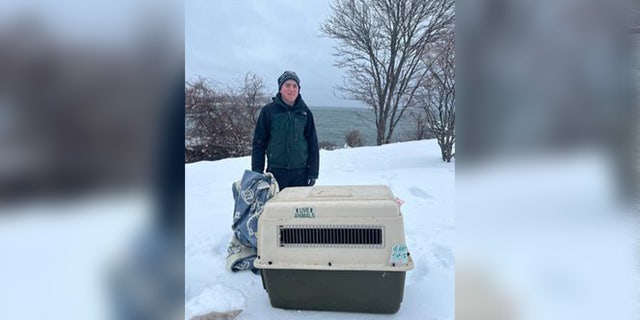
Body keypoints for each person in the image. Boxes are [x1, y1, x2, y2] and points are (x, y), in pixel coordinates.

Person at [251, 71, 319, 189]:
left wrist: (313, 172)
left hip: (300, 174)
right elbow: (259, 144)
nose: (291, 89)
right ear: (280, 89)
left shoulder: (305, 113)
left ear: (299, 89)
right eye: (287, 85)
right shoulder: (269, 111)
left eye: (294, 86)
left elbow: (312, 144)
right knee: (277, 207)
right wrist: (257, 172)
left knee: (298, 207)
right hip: (276, 173)